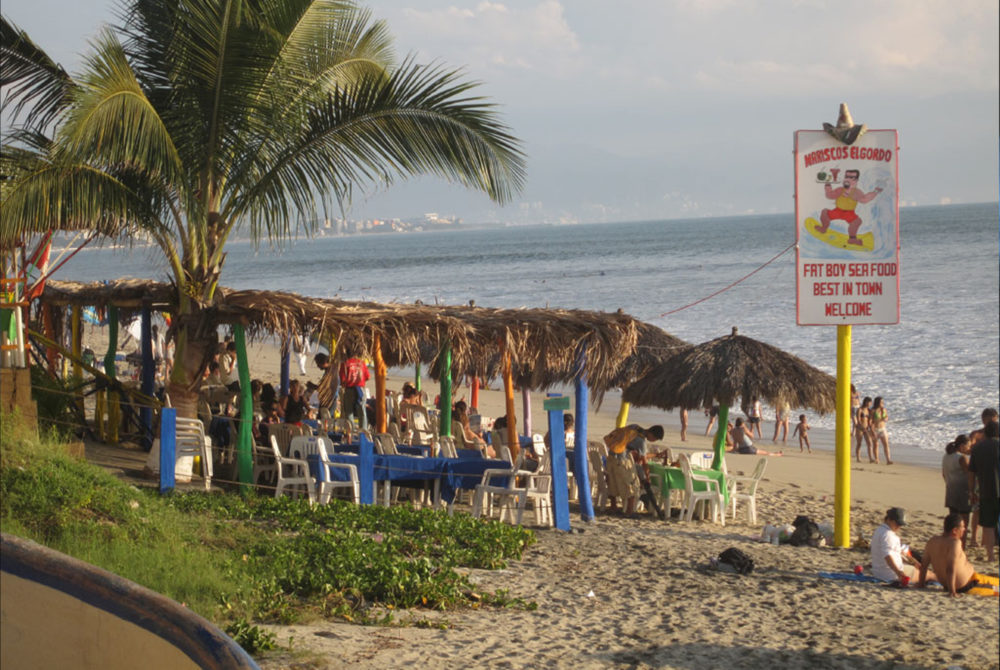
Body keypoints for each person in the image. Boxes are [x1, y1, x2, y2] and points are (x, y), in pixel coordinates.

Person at [918, 513, 998, 597]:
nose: (964, 529)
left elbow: (924, 566)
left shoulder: (932, 541)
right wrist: (952, 592)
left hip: (954, 584)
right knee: (997, 587)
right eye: (962, 527)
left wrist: (921, 584)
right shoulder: (954, 543)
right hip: (968, 585)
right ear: (955, 530)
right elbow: (950, 568)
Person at [603, 424, 664, 517]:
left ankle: (613, 507)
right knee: (633, 485)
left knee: (612, 482)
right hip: (622, 460)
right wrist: (647, 478)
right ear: (651, 434)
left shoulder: (634, 427)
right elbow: (644, 462)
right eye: (655, 439)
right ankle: (629, 511)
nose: (653, 441)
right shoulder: (641, 441)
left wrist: (655, 455)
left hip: (611, 456)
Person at [815, 168, 884, 246]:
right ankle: (824, 228)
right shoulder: (840, 190)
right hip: (837, 211)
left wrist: (875, 192)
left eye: (852, 178)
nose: (848, 180)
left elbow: (864, 199)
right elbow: (830, 195)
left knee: (857, 221)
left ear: (856, 181)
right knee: (824, 212)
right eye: (847, 177)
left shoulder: (856, 192)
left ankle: (852, 239)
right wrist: (828, 187)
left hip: (849, 213)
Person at [967, 419, 999, 563]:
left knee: (988, 524)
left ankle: (991, 555)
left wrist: (972, 491)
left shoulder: (977, 449)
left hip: (986, 491)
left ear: (985, 433)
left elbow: (971, 472)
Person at [870, 507, 925, 584]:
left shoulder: (880, 530)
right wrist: (899, 573)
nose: (899, 527)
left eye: (901, 524)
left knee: (922, 570)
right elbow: (887, 556)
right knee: (929, 575)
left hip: (881, 572)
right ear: (889, 520)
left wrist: (913, 562)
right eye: (897, 524)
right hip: (891, 575)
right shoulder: (887, 535)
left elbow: (897, 553)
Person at [941, 435, 971, 547]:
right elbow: (970, 475)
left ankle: (950, 544)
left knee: (952, 522)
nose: (969, 448)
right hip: (963, 493)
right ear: (962, 446)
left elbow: (944, 474)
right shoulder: (962, 458)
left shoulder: (946, 456)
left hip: (950, 491)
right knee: (963, 523)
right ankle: (961, 546)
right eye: (968, 446)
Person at [338, 349, 370, 430]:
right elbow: (367, 377)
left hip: (349, 390)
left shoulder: (345, 364)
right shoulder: (361, 363)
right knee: (362, 412)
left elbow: (342, 380)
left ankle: (351, 430)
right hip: (361, 390)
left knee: (349, 412)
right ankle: (364, 431)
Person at [313, 352, 339, 422]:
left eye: (318, 364)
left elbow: (324, 387)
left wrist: (313, 386)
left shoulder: (330, 372)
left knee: (326, 419)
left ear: (323, 362)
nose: (318, 366)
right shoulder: (332, 369)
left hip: (330, 400)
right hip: (331, 399)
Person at [871, 396, 891, 464]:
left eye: (883, 402)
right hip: (875, 429)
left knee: (886, 444)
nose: (882, 403)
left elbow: (887, 417)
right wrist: (872, 430)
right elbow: (871, 421)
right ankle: (876, 459)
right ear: (877, 402)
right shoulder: (873, 410)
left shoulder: (884, 409)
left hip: (882, 428)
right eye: (881, 402)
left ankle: (888, 459)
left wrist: (886, 418)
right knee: (876, 444)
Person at [855, 396, 874, 462]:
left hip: (866, 428)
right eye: (870, 402)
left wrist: (871, 428)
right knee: (859, 443)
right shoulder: (860, 410)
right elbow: (858, 420)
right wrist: (862, 427)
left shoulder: (869, 411)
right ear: (866, 402)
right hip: (860, 428)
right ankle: (858, 458)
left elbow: (870, 421)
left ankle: (871, 458)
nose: (870, 404)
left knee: (869, 443)